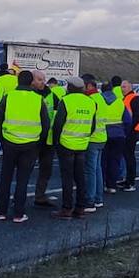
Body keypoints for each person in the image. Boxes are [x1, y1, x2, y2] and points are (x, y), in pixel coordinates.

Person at [0, 70, 51, 223]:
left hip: (10, 143)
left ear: (18, 81)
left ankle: (1, 211)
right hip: (30, 145)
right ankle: (19, 213)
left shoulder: (9, 97)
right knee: (23, 180)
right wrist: (37, 143)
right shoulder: (38, 99)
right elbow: (46, 124)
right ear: (31, 82)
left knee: (6, 179)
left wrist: (3, 140)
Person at [52, 76, 95, 218]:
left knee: (67, 178)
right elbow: (92, 126)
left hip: (66, 144)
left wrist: (56, 142)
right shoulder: (90, 102)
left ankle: (66, 208)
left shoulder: (66, 101)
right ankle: (80, 207)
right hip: (82, 144)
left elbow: (58, 124)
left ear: (69, 87)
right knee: (80, 177)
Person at [32, 70, 60, 208]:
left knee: (46, 169)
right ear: (32, 81)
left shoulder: (51, 95)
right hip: (32, 138)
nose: (42, 82)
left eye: (44, 79)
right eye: (39, 79)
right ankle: (18, 197)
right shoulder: (28, 95)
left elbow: (58, 114)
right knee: (25, 170)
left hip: (48, 139)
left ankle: (40, 196)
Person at [98, 76, 128, 200]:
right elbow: (128, 120)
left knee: (103, 161)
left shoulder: (99, 101)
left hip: (104, 134)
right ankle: (112, 186)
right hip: (119, 135)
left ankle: (102, 184)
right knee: (115, 161)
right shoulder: (119, 101)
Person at [82, 75, 108, 211]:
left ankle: (90, 200)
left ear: (89, 86)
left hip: (92, 139)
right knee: (97, 170)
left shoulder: (91, 100)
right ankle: (98, 198)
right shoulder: (100, 98)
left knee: (90, 171)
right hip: (101, 137)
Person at [119, 80, 139, 192]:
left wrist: (128, 129)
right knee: (126, 156)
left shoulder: (136, 98)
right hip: (127, 131)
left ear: (130, 87)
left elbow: (137, 116)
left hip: (132, 131)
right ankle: (127, 180)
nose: (122, 89)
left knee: (129, 157)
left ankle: (130, 182)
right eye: (121, 87)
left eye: (124, 87)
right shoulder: (125, 98)